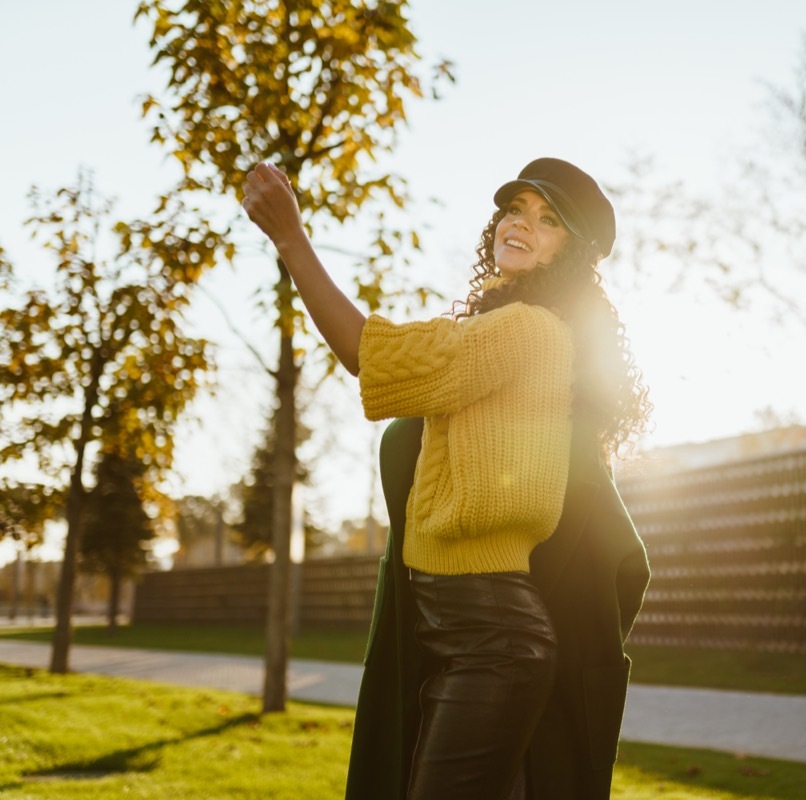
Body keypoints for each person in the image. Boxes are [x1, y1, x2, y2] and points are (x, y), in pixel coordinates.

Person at [241, 157, 652, 799]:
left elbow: (366, 352)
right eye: (515, 209)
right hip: (470, 634)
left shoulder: (527, 330)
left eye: (547, 221)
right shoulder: (499, 331)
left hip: (493, 642)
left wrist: (290, 238)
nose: (521, 224)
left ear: (571, 255)